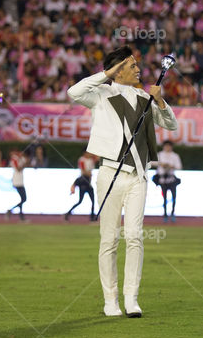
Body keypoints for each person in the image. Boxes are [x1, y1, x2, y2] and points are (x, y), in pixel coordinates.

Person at [67, 46, 178, 318]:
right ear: (118, 70)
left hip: (138, 175)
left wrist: (161, 101)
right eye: (131, 66)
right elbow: (74, 92)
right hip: (109, 174)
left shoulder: (145, 96)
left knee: (135, 237)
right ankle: (110, 299)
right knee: (108, 239)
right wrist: (106, 74)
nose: (138, 69)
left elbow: (171, 125)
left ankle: (131, 298)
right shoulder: (102, 94)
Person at [154, 141, 182, 222]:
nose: (167, 148)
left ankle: (173, 213)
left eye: (169, 146)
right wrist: (161, 164)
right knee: (164, 197)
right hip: (162, 179)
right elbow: (152, 162)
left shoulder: (175, 155)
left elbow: (179, 166)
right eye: (166, 146)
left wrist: (172, 166)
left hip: (171, 179)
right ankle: (165, 214)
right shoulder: (160, 154)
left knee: (174, 197)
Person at [66, 152, 97, 221]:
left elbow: (97, 157)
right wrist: (88, 173)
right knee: (80, 201)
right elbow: (84, 171)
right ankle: (67, 214)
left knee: (93, 201)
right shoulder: (82, 159)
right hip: (84, 182)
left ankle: (92, 217)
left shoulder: (91, 160)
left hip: (89, 183)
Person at [7, 149, 29, 220]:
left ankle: (20, 216)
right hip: (17, 182)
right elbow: (19, 169)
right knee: (23, 199)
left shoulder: (20, 159)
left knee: (23, 199)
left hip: (20, 181)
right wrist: (24, 163)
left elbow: (27, 161)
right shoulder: (14, 159)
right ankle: (12, 211)